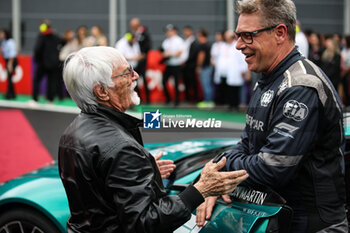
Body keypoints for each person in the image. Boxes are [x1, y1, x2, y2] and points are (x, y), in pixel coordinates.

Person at [58, 46, 249, 233]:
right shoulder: (120, 147)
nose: (135, 76)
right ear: (102, 91)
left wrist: (142, 174)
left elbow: (97, 195)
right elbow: (145, 223)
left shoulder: (71, 132)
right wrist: (200, 190)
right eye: (126, 72)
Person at [196, 0, 348, 232]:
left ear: (280, 33)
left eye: (248, 36)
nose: (238, 45)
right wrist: (221, 168)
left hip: (313, 225)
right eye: (238, 35)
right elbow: (246, 145)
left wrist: (222, 170)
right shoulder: (268, 80)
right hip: (278, 216)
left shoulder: (301, 86)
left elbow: (272, 167)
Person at [31, 19, 63, 104]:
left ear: (43, 26)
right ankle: (50, 100)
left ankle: (35, 99)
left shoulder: (42, 36)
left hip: (42, 63)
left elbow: (37, 49)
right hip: (54, 63)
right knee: (51, 81)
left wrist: (37, 60)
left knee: (37, 80)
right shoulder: (55, 36)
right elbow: (62, 43)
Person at [161, 24, 184, 105]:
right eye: (167, 31)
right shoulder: (166, 41)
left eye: (170, 31)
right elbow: (163, 52)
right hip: (169, 64)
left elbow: (180, 53)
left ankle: (177, 100)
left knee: (177, 83)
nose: (168, 33)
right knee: (163, 81)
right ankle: (168, 99)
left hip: (176, 64)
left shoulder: (179, 40)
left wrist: (170, 55)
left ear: (174, 31)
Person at [130, 18, 152, 103]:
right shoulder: (131, 34)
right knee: (135, 79)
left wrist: (143, 54)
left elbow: (147, 45)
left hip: (142, 60)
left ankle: (148, 99)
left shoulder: (144, 33)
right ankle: (139, 98)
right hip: (134, 60)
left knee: (143, 78)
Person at [196, 28, 214, 108]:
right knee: (207, 84)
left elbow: (201, 56)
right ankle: (208, 101)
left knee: (206, 84)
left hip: (205, 67)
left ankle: (208, 101)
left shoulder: (202, 45)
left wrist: (199, 66)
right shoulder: (208, 44)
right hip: (208, 67)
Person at [181, 25, 200, 103]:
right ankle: (188, 98)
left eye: (187, 31)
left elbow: (193, 54)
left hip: (191, 65)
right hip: (185, 66)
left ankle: (195, 98)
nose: (185, 33)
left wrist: (186, 61)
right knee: (186, 82)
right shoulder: (185, 41)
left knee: (193, 83)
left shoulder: (194, 42)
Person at [0, 28, 18, 99]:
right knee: (9, 78)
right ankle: (12, 94)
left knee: (10, 77)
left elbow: (12, 54)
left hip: (11, 61)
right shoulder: (4, 41)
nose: (1, 35)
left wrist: (10, 64)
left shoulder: (10, 42)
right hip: (7, 61)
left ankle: (10, 94)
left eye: (2, 33)